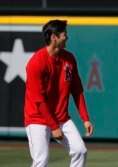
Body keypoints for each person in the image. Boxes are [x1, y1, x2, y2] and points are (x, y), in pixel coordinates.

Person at [24, 19, 94, 167]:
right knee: (41, 160)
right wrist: (54, 127)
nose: (66, 37)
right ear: (54, 37)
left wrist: (85, 118)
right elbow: (39, 100)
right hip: (38, 117)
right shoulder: (36, 63)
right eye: (64, 34)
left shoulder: (68, 59)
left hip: (61, 117)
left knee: (80, 150)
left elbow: (77, 90)